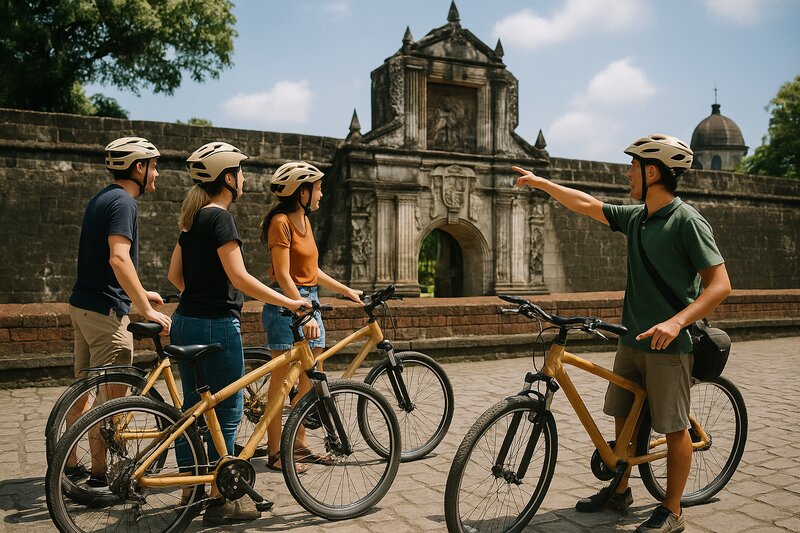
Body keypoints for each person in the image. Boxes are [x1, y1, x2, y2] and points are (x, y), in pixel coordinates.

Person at [514, 134, 731, 533]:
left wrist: (676, 321)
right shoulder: (637, 217)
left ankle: (673, 510)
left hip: (670, 344)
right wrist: (542, 183)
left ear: (653, 172)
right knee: (623, 416)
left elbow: (720, 284)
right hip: (632, 338)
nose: (627, 171)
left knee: (673, 425)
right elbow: (588, 205)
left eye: (633, 165)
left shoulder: (687, 221)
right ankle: (620, 491)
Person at [167, 142, 307, 526]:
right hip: (216, 325)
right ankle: (220, 499)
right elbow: (241, 279)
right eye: (240, 172)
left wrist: (198, 294)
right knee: (227, 412)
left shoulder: (191, 218)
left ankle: (188, 490)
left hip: (183, 321)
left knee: (191, 412)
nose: (244, 178)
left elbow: (174, 277)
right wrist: (290, 302)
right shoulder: (221, 219)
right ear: (227, 178)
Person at [66, 137, 172, 491]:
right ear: (138, 168)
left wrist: (142, 291)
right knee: (109, 402)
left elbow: (105, 262)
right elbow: (117, 258)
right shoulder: (125, 203)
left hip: (84, 305)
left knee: (83, 389)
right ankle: (99, 477)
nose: (157, 174)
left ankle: (68, 463)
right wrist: (141, 307)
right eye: (154, 166)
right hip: (107, 315)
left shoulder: (103, 197)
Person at [260, 161, 362, 471]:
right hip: (287, 306)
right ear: (302, 191)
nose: (322, 193)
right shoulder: (281, 222)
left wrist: (347, 291)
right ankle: (276, 453)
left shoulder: (304, 220)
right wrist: (301, 309)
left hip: (309, 302)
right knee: (281, 385)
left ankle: (299, 446)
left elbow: (311, 271)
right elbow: (282, 274)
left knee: (308, 381)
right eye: (318, 188)